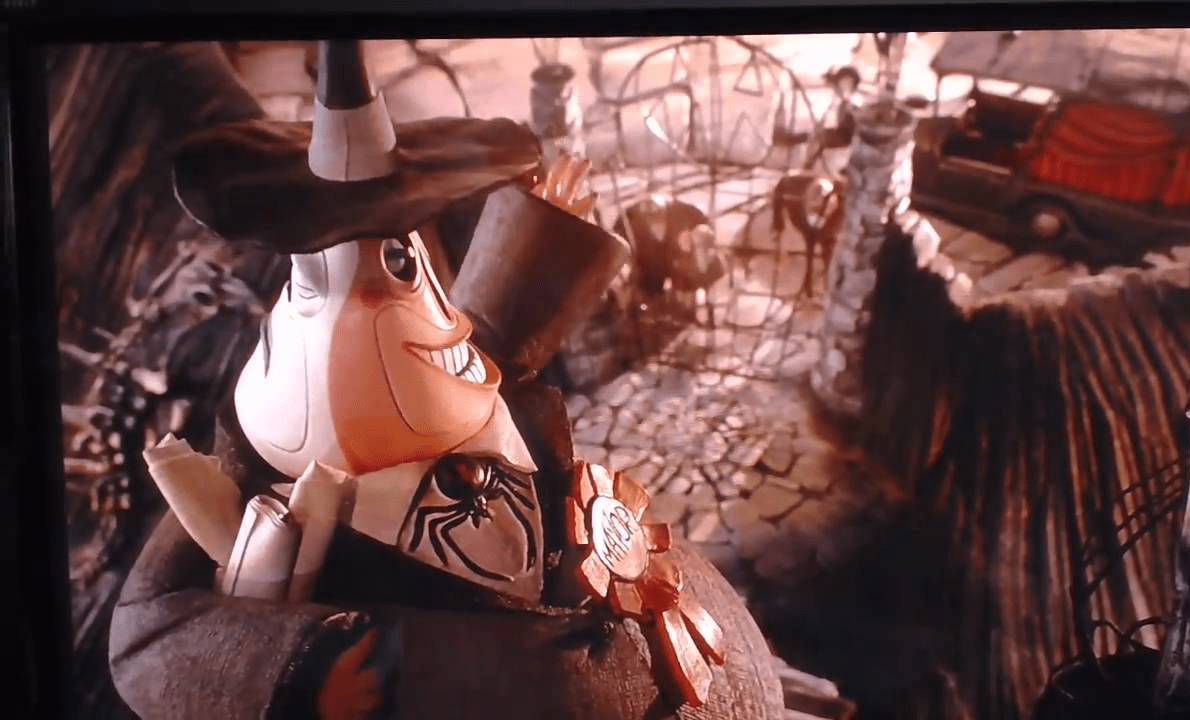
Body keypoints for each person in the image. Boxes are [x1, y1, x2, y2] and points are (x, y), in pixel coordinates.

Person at [109, 39, 785, 720]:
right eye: (326, 276)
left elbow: (483, 340)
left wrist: (538, 236)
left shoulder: (450, 368)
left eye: (397, 261)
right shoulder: (244, 489)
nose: (365, 303)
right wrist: (299, 670)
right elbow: (149, 628)